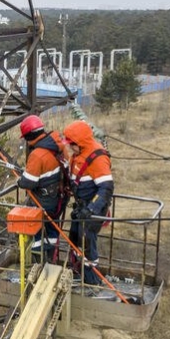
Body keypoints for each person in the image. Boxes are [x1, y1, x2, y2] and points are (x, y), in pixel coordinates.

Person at [63, 119, 113, 285]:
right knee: (75, 237)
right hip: (82, 206)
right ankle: (78, 270)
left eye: (71, 144)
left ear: (80, 143)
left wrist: (91, 209)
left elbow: (106, 188)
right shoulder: (78, 155)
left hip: (93, 209)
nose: (69, 147)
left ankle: (91, 278)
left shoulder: (97, 158)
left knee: (86, 241)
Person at [16, 114, 68, 264]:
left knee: (37, 233)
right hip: (59, 198)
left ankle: (38, 262)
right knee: (52, 229)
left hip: (44, 202)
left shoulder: (37, 155)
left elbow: (29, 182)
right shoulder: (58, 144)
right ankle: (51, 259)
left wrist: (19, 181)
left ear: (28, 137)